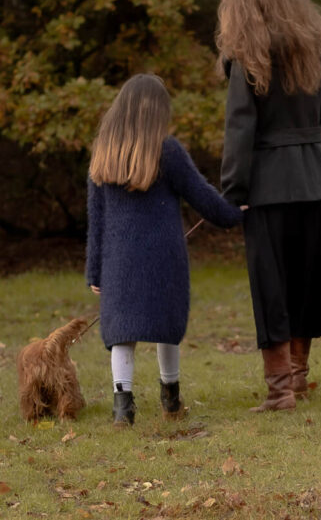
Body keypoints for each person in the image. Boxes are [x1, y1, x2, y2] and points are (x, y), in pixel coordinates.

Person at [217, 0, 321, 412]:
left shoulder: (248, 56)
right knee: (307, 280)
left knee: (272, 286)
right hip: (315, 177)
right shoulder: (316, 48)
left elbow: (240, 130)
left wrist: (233, 192)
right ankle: (296, 378)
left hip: (268, 186)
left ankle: (281, 391)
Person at [85, 73, 243, 426]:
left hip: (118, 260)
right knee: (165, 325)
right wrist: (234, 214)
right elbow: (202, 196)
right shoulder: (167, 150)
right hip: (163, 257)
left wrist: (94, 270)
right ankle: (170, 399)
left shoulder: (103, 154)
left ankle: (122, 406)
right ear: (157, 111)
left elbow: (96, 219)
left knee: (122, 333)